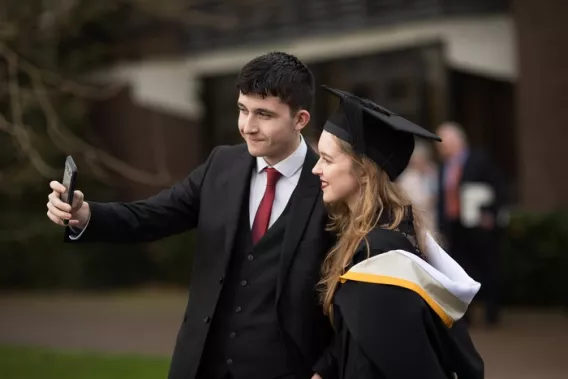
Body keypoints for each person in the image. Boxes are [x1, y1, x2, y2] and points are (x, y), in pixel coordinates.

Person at [46, 52, 336, 379]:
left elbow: (350, 303)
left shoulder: (331, 186)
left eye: (264, 114)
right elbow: (152, 215)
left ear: (300, 119)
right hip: (201, 367)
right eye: (242, 110)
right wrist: (85, 215)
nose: (248, 126)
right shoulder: (220, 165)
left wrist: (325, 370)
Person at [310, 86, 484, 379]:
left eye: (327, 159)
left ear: (363, 171)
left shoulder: (378, 258)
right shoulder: (388, 230)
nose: (316, 169)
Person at [436, 122, 507, 326]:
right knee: (460, 269)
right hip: (454, 225)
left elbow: (498, 187)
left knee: (488, 267)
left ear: (458, 140)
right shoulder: (444, 166)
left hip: (478, 225)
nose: (441, 147)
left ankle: (491, 313)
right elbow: (443, 198)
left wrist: (490, 215)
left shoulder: (480, 159)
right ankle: (465, 315)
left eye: (445, 141)